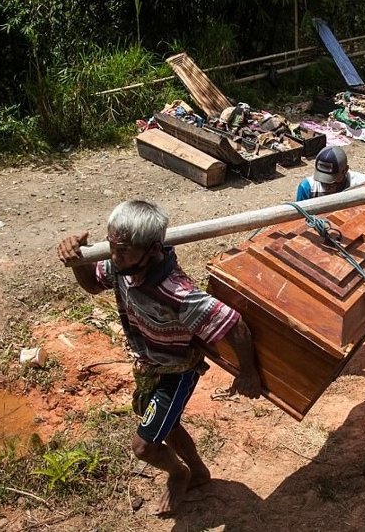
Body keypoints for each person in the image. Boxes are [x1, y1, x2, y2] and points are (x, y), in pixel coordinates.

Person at [56, 200, 262, 515]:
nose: (113, 255)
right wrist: (77, 262)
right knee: (169, 424)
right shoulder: (122, 266)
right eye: (111, 245)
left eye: (122, 250)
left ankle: (179, 472)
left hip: (176, 372)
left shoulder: (176, 292)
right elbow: (93, 286)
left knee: (143, 446)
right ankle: (199, 472)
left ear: (153, 250)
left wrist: (248, 373)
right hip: (148, 365)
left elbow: (234, 324)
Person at [295, 146, 365, 201]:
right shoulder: (307, 188)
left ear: (345, 171)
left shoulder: (361, 183)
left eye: (331, 180)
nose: (326, 185)